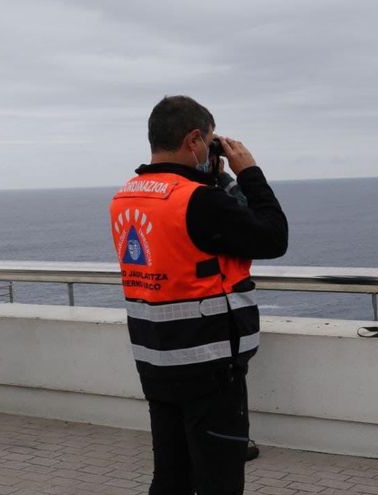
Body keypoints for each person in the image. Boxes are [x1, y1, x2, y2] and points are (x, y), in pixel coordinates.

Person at [109, 95, 287, 494]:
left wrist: (213, 178)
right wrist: (249, 173)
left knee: (171, 475)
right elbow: (274, 236)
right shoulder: (200, 202)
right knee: (218, 480)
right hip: (209, 365)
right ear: (193, 140)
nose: (210, 150)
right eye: (208, 142)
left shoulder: (127, 196)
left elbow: (187, 242)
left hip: (156, 359)